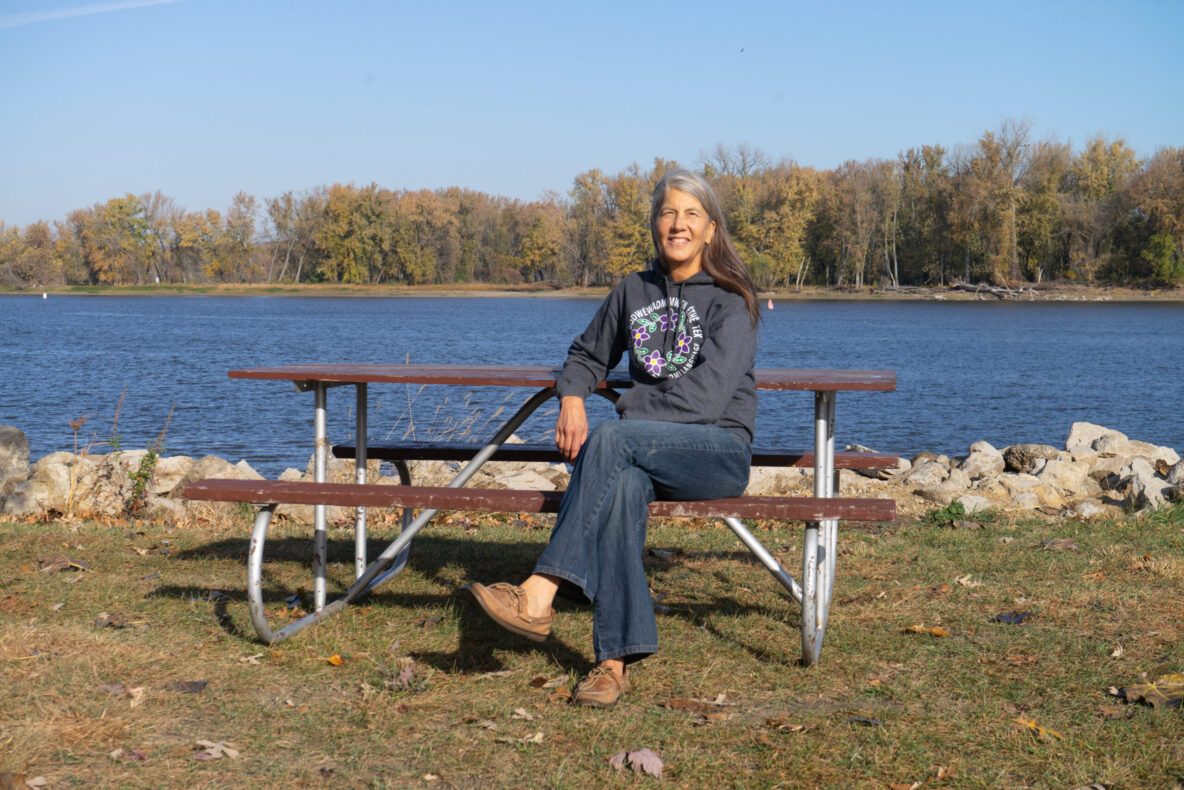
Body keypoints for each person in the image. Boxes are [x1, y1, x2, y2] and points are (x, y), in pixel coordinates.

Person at [465, 169, 761, 707]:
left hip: (717, 451)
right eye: (669, 212)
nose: (679, 224)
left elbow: (710, 398)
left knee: (612, 440)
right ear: (655, 224)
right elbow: (585, 354)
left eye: (691, 214)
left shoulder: (732, 299)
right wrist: (573, 396)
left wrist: (626, 413)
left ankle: (539, 591)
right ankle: (612, 664)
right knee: (621, 487)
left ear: (711, 230)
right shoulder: (633, 290)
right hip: (646, 454)